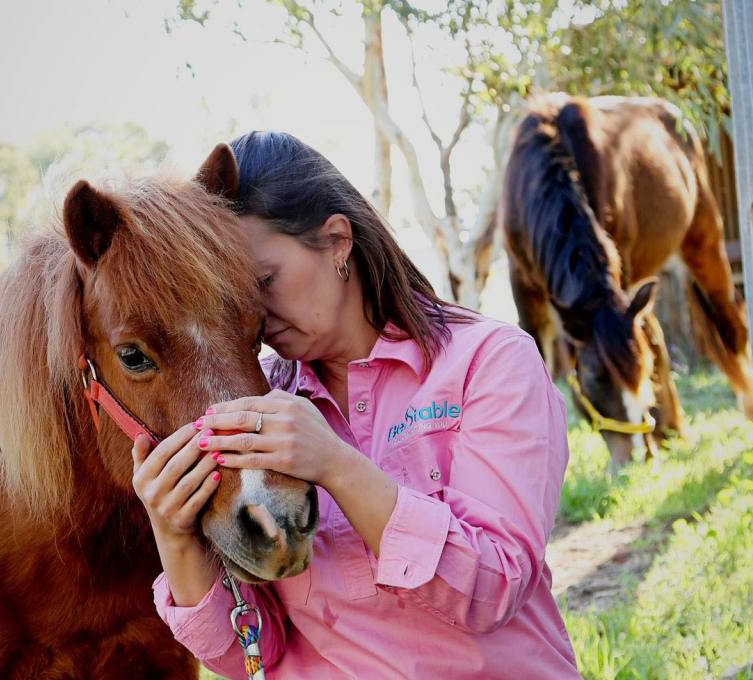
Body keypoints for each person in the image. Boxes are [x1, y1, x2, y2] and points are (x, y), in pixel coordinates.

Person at [130, 130, 580, 679]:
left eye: (266, 280)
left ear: (338, 241)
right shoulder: (263, 400)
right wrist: (174, 538)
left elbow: (494, 587)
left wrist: (337, 467)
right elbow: (253, 653)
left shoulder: (489, 362)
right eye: (238, 294)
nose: (257, 312)